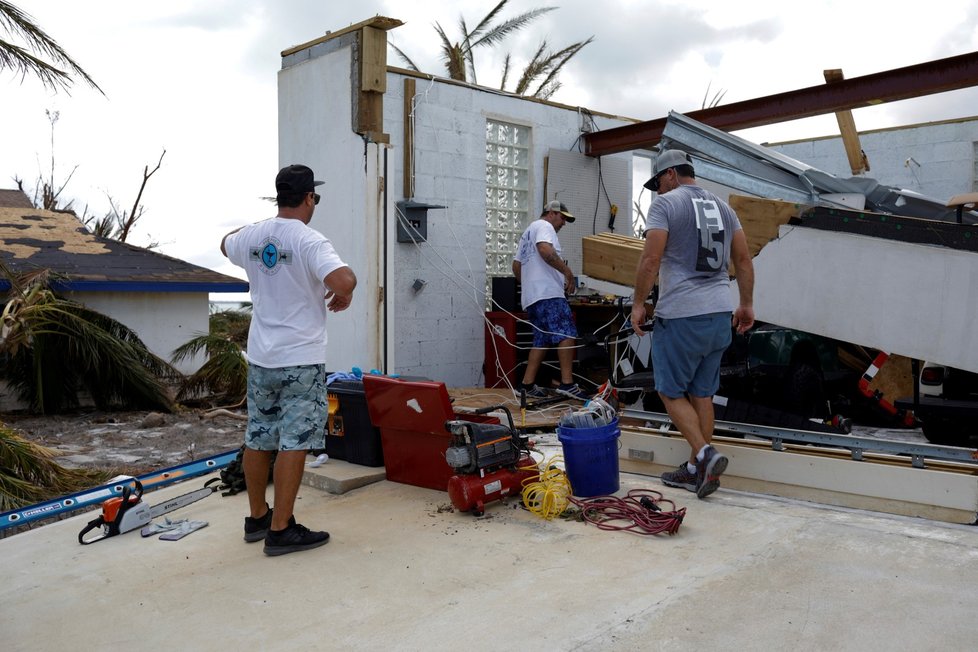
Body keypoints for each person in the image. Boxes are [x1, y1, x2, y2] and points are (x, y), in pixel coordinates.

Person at [221, 164, 357, 555]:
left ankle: (257, 517)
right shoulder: (310, 241)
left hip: (262, 357)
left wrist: (256, 237)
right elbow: (344, 281)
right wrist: (345, 294)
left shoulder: (253, 236)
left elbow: (225, 243)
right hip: (299, 358)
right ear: (309, 197)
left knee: (259, 435)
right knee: (294, 440)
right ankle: (281, 530)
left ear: (278, 197)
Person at [630, 149, 755, 499]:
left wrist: (639, 304)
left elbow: (651, 258)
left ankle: (705, 454)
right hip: (718, 314)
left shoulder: (667, 205)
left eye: (658, 182)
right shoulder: (725, 208)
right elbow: (743, 259)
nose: (658, 190)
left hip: (683, 314)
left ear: (670, 174)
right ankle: (695, 471)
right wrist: (745, 304)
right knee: (702, 393)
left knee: (669, 391)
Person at [511, 200, 588, 400]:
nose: (563, 223)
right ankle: (567, 383)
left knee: (542, 339)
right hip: (548, 294)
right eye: (562, 217)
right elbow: (545, 250)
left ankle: (526, 386)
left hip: (532, 297)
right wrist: (568, 273)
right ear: (551, 212)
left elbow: (516, 265)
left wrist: (529, 284)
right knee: (567, 333)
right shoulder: (544, 226)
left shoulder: (528, 232)